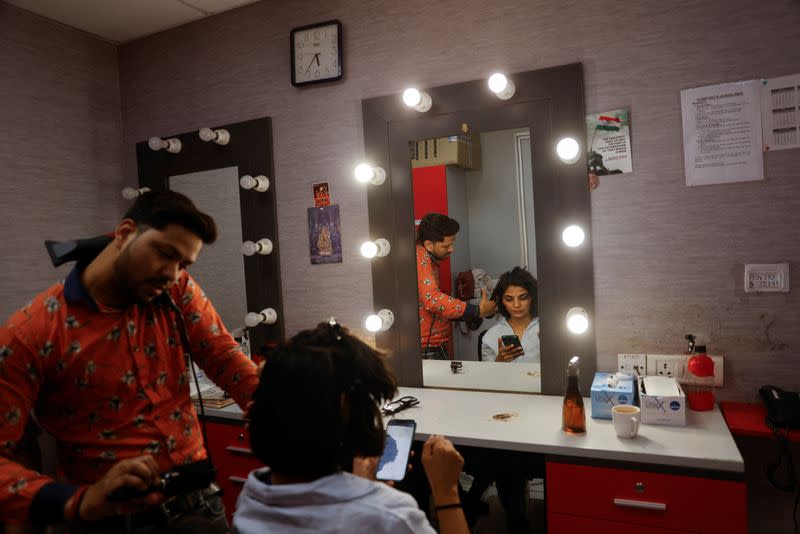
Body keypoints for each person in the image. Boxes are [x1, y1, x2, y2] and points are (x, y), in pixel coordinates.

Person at [0, 190, 260, 532]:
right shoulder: (33, 332)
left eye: (183, 264)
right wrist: (81, 502)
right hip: (106, 519)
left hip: (196, 501)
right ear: (124, 233)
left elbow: (221, 353)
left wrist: (264, 402)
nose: (172, 273)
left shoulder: (177, 288)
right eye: (165, 254)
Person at [233, 320, 469, 534]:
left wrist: (363, 489)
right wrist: (445, 491)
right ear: (349, 408)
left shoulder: (252, 496)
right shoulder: (391, 516)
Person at [415, 213, 496, 359]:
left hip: (433, 343)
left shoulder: (427, 258)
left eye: (452, 244)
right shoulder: (421, 258)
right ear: (428, 244)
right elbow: (433, 300)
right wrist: (476, 310)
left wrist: (467, 314)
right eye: (446, 245)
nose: (452, 249)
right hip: (426, 348)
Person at [480, 267, 540, 364]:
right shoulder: (491, 336)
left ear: (532, 297)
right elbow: (488, 376)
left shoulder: (547, 330)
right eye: (509, 299)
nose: (516, 305)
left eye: (523, 298)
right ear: (502, 301)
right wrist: (500, 362)